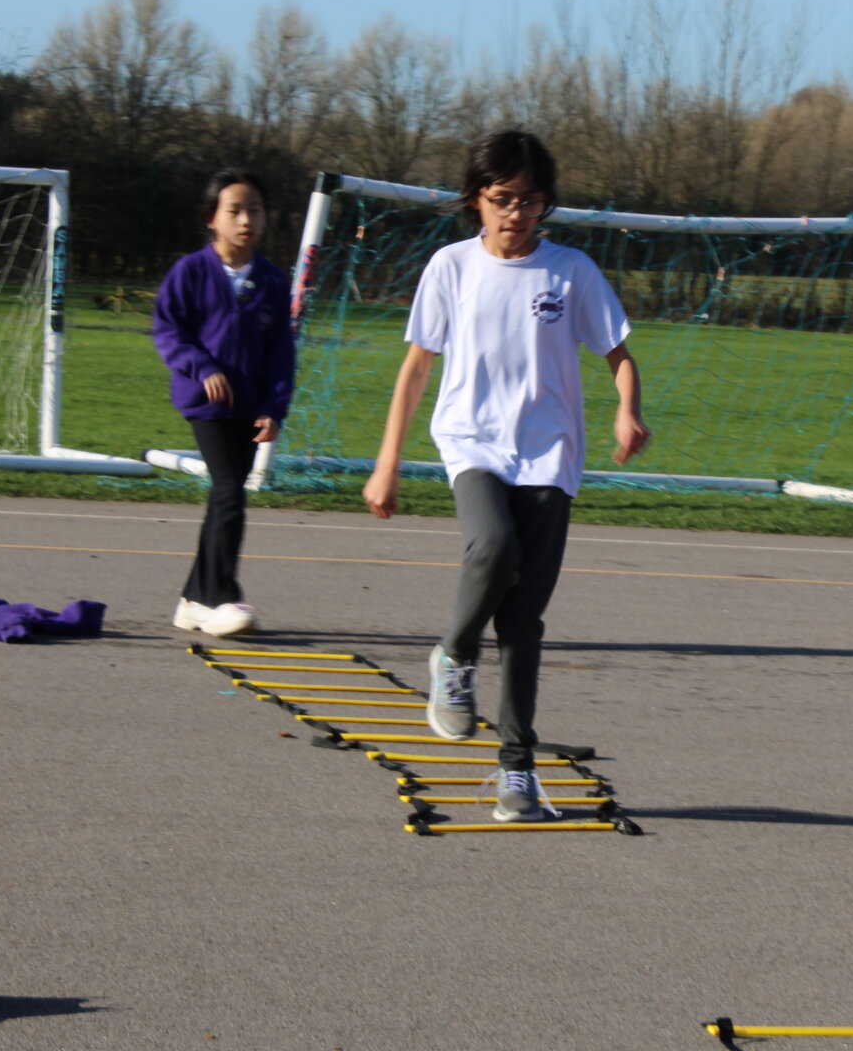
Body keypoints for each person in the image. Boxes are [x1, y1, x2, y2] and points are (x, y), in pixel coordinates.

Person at [361, 131, 649, 823]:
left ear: (546, 204)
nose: (515, 213)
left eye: (530, 201)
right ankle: (454, 655)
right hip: (473, 444)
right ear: (476, 200)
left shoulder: (571, 271)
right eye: (501, 199)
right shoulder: (450, 267)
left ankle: (515, 771)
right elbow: (415, 369)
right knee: (491, 547)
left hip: (549, 455)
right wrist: (386, 461)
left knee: (524, 620)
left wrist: (627, 411)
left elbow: (619, 352)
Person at [153, 168, 295, 638]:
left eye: (254, 209)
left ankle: (192, 599)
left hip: (251, 409)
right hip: (207, 404)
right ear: (211, 218)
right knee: (231, 491)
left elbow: (280, 351)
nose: (245, 219)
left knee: (223, 498)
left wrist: (275, 407)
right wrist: (203, 367)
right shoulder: (190, 272)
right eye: (234, 209)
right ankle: (221, 597)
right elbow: (168, 330)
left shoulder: (273, 281)